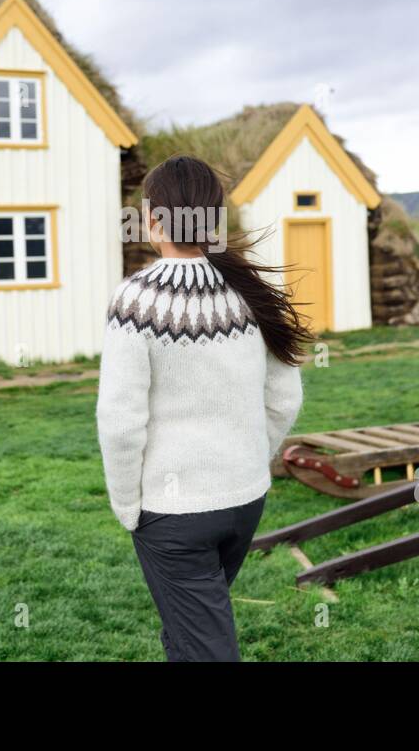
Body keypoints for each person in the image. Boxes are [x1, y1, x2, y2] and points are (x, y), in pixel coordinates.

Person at [96, 155, 307, 662]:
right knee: (187, 633)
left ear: (153, 220)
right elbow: (285, 398)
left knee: (205, 648)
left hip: (173, 516)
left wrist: (127, 504)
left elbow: (121, 421)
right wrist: (250, 458)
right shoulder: (252, 292)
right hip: (245, 501)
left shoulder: (135, 301)